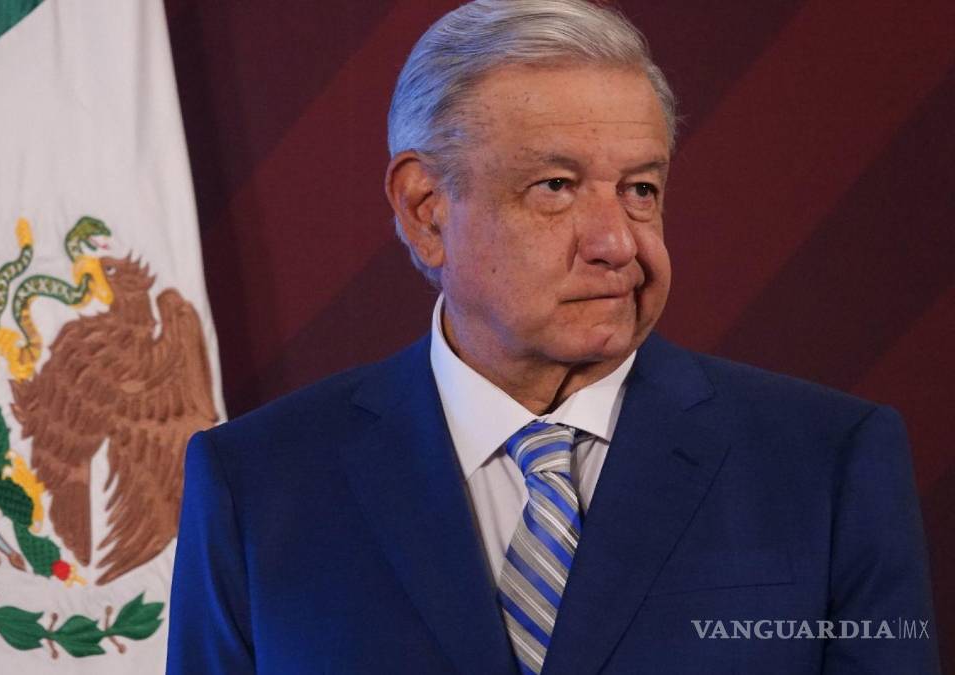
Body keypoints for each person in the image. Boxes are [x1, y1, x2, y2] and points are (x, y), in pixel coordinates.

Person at [167, 1, 938, 672]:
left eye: (640, 189)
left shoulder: (828, 464)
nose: (617, 242)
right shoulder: (257, 483)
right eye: (556, 187)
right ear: (426, 209)